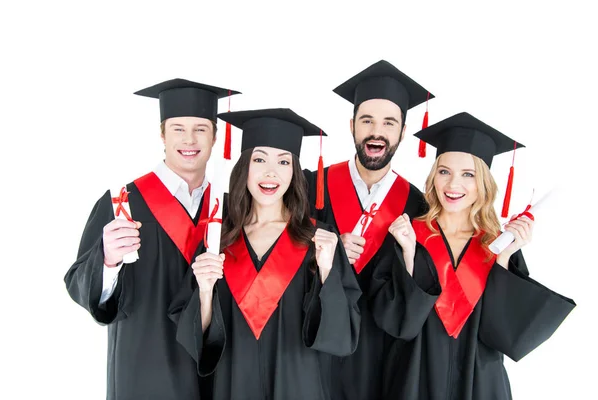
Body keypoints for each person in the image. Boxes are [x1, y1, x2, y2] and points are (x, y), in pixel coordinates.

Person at [377, 112, 576, 400]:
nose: (452, 184)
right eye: (444, 171)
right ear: (433, 177)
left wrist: (505, 259)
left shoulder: (497, 245)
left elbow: (506, 334)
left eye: (467, 174)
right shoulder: (407, 235)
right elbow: (394, 322)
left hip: (479, 383)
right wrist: (408, 254)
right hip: (413, 378)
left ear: (482, 182)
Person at [64, 78, 239, 400]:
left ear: (216, 136)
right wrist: (107, 260)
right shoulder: (122, 202)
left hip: (214, 362)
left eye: (201, 128)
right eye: (178, 128)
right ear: (162, 134)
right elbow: (78, 284)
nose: (189, 139)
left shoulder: (230, 208)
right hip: (145, 360)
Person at [171, 108, 362, 400]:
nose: (271, 172)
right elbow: (197, 343)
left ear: (294, 173)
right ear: (244, 167)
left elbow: (343, 337)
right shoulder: (218, 241)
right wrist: (206, 292)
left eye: (283, 161)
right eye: (259, 159)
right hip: (234, 386)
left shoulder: (319, 241)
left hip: (299, 388)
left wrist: (326, 273)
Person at [303, 59, 437, 400]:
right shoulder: (311, 186)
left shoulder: (417, 206)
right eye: (367, 120)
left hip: (380, 363)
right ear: (352, 125)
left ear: (403, 131)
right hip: (311, 349)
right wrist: (318, 253)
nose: (377, 131)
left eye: (389, 122)